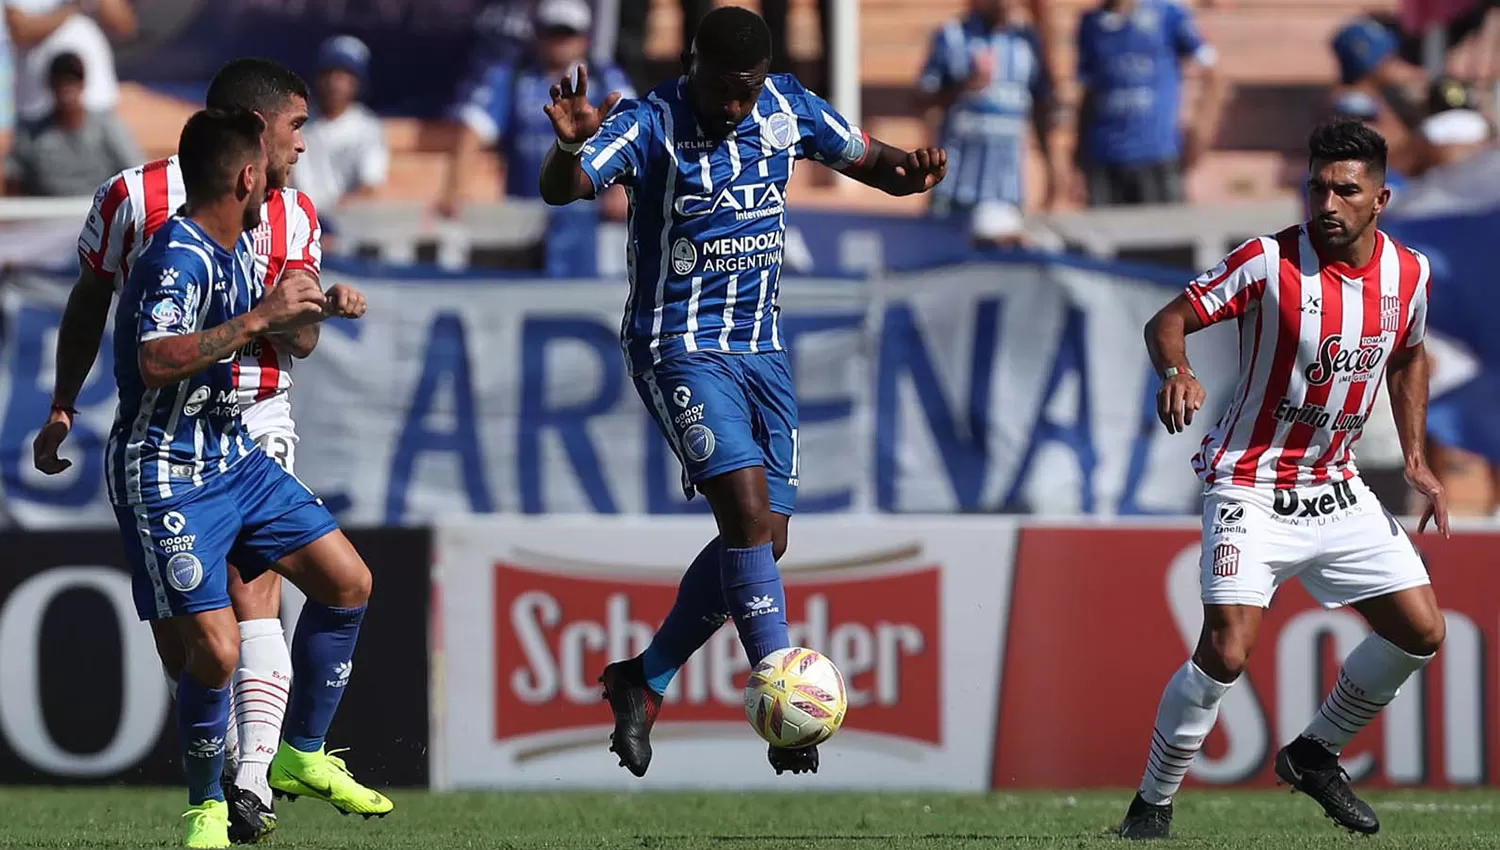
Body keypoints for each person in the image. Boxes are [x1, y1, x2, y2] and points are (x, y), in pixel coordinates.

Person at [538, 5, 946, 777]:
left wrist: (914, 174)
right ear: (693, 64)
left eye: (747, 89)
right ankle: (781, 695)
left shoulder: (788, 107)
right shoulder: (650, 122)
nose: (736, 105)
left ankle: (644, 677)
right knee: (750, 515)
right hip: (678, 349)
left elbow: (877, 163)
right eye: (725, 88)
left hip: (763, 350)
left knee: (762, 539)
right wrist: (569, 142)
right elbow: (566, 189)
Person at [33, 58, 392, 843]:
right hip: (166, 444)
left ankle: (263, 772)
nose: (306, 143)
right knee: (203, 646)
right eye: (298, 127)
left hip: (248, 419)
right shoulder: (143, 205)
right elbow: (101, 304)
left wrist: (316, 308)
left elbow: (291, 332)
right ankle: (221, 782)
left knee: (291, 589)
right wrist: (64, 401)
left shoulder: (293, 213)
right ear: (254, 143)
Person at [1119, 119, 1448, 840]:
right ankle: (1151, 806)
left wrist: (1417, 457)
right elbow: (1168, 319)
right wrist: (1177, 371)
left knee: (1422, 631)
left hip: (1335, 484)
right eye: (1317, 187)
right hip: (1251, 484)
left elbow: (1409, 355)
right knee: (1228, 650)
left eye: (1345, 190)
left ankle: (1313, 752)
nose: (1327, 202)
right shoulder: (1267, 262)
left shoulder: (1410, 274)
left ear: (1380, 198)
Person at [112, 106, 374, 850]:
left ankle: (299, 754)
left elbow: (271, 328)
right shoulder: (180, 256)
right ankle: (206, 805)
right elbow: (156, 358)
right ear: (246, 174)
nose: (278, 174)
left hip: (233, 457)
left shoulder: (232, 249)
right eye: (271, 160)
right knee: (216, 652)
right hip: (167, 470)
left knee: (348, 582)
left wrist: (319, 306)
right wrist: (260, 318)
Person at [438, 0, 633, 218]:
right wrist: (454, 188)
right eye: (551, 33)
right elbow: (475, 129)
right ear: (537, 36)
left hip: (589, 216)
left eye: (567, 34)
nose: (559, 42)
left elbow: (633, 132)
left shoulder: (605, 79)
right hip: (524, 211)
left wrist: (622, 189)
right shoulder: (512, 77)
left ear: (584, 40)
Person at [916, 0, 1061, 247]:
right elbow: (922, 98)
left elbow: (1040, 108)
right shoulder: (951, 36)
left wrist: (1051, 168)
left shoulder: (1027, 42)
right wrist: (964, 86)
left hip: (1005, 190)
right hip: (956, 188)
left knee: (1002, 274)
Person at [1074, 0, 1225, 206]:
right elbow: (1088, 93)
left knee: (1164, 235)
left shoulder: (1168, 15)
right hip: (1104, 160)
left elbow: (1214, 74)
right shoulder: (1091, 24)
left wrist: (1202, 132)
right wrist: (1077, 158)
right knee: (1104, 234)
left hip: (1157, 156)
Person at [6, 51, 139, 195]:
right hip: (45, 214)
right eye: (60, 80)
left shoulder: (107, 128)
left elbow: (135, 173)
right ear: (49, 83)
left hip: (99, 213)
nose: (67, 87)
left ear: (83, 83)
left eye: (73, 79)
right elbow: (13, 181)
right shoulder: (30, 133)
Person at [292, 35, 389, 210]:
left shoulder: (368, 128)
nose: (334, 83)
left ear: (357, 83)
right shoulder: (296, 121)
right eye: (329, 73)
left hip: (346, 221)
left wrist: (339, 210)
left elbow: (370, 185)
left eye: (344, 76)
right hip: (297, 218)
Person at [4, 0, 135, 121]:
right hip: (40, 106)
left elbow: (123, 25)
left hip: (94, 101)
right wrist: (74, 6)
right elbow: (21, 31)